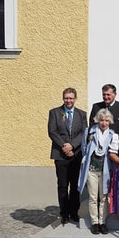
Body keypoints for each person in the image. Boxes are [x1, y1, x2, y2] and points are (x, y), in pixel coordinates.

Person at [48, 87, 88, 224]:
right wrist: (65, 146)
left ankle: (74, 212)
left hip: (76, 155)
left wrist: (72, 146)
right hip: (60, 155)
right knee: (63, 186)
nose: (68, 100)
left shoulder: (82, 114)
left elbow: (84, 132)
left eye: (71, 98)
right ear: (63, 98)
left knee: (75, 186)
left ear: (75, 99)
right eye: (66, 98)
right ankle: (64, 213)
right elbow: (52, 132)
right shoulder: (54, 113)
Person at [78, 108, 115, 234]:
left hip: (105, 170)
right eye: (101, 120)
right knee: (93, 197)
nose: (104, 123)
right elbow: (84, 148)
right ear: (97, 121)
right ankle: (94, 222)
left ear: (109, 122)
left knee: (104, 197)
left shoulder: (112, 135)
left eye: (106, 120)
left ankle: (102, 221)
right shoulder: (90, 132)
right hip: (91, 169)